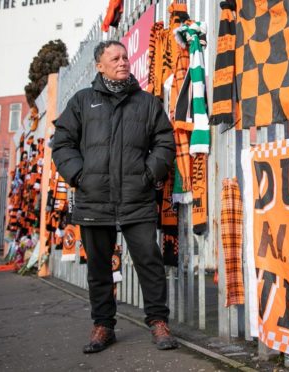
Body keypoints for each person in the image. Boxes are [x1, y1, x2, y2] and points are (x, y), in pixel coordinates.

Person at [52, 40, 177, 353]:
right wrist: (79, 175)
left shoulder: (148, 103)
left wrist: (149, 174)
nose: (123, 62)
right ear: (99, 65)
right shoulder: (81, 102)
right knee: (98, 267)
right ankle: (103, 325)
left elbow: (164, 141)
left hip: (137, 197)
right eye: (115, 58)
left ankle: (158, 322)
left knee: (149, 261)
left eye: (125, 56)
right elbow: (62, 143)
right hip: (95, 199)